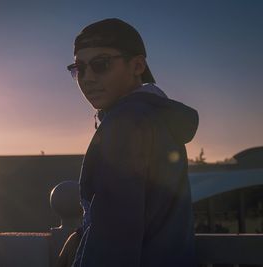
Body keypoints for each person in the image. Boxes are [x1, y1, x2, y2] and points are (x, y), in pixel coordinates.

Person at [62, 18, 199, 267]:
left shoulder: (126, 124)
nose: (88, 78)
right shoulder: (156, 120)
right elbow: (140, 211)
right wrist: (83, 235)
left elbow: (114, 236)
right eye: (80, 68)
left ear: (137, 66)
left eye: (100, 64)